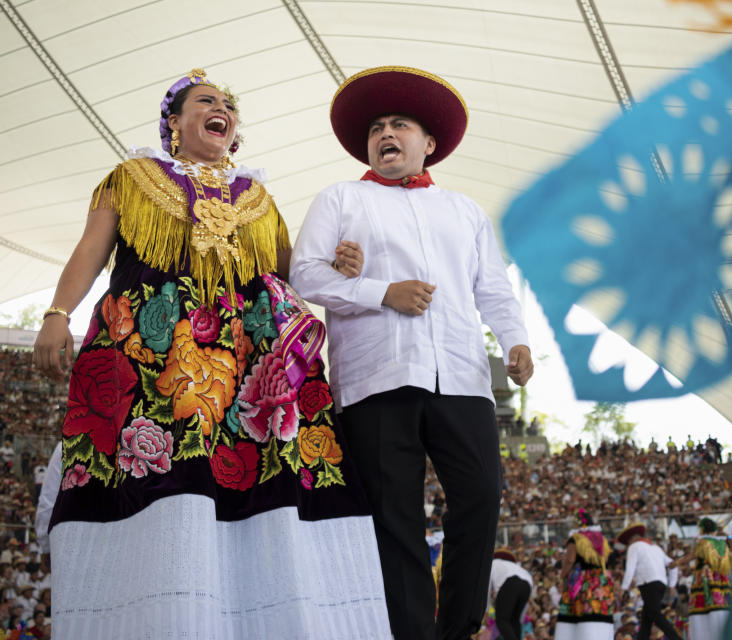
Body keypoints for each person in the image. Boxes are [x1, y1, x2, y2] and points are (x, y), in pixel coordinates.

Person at [31, 68, 391, 638]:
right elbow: (91, 251)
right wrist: (57, 314)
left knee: (251, 489)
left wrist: (337, 264)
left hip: (244, 368)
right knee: (160, 486)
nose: (220, 108)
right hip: (153, 360)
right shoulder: (131, 177)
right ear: (173, 123)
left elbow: (290, 274)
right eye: (205, 101)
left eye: (227, 104)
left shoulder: (258, 198)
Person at [290, 65, 534, 640]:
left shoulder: (466, 211)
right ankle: (411, 633)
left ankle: (458, 627)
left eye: (399, 123)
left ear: (430, 143)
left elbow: (493, 287)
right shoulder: (341, 198)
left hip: (463, 376)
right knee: (392, 516)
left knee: (480, 495)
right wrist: (383, 293)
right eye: (376, 126)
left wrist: (515, 339)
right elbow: (304, 275)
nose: (385, 132)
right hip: (376, 377)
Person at [555, 509, 614, 640]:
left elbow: (570, 560)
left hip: (585, 580)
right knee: (600, 612)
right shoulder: (602, 539)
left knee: (582, 613)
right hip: (601, 579)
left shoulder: (576, 538)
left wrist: (563, 575)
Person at [617, 523, 682, 640]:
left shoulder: (634, 547)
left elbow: (630, 568)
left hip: (648, 584)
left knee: (655, 615)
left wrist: (624, 588)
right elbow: (673, 564)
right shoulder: (656, 548)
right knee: (647, 619)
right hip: (660, 584)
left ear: (631, 540)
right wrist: (672, 585)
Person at [671, 518, 732, 640]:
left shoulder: (703, 542)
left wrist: (676, 563)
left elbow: (692, 556)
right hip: (719, 579)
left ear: (702, 529)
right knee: (720, 605)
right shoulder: (722, 543)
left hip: (704, 578)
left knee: (703, 608)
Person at [489, 548, 535, 640]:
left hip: (511, 581)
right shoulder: (514, 566)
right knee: (514, 620)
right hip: (528, 583)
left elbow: (486, 588)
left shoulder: (493, 563)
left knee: (502, 620)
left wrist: (486, 611)